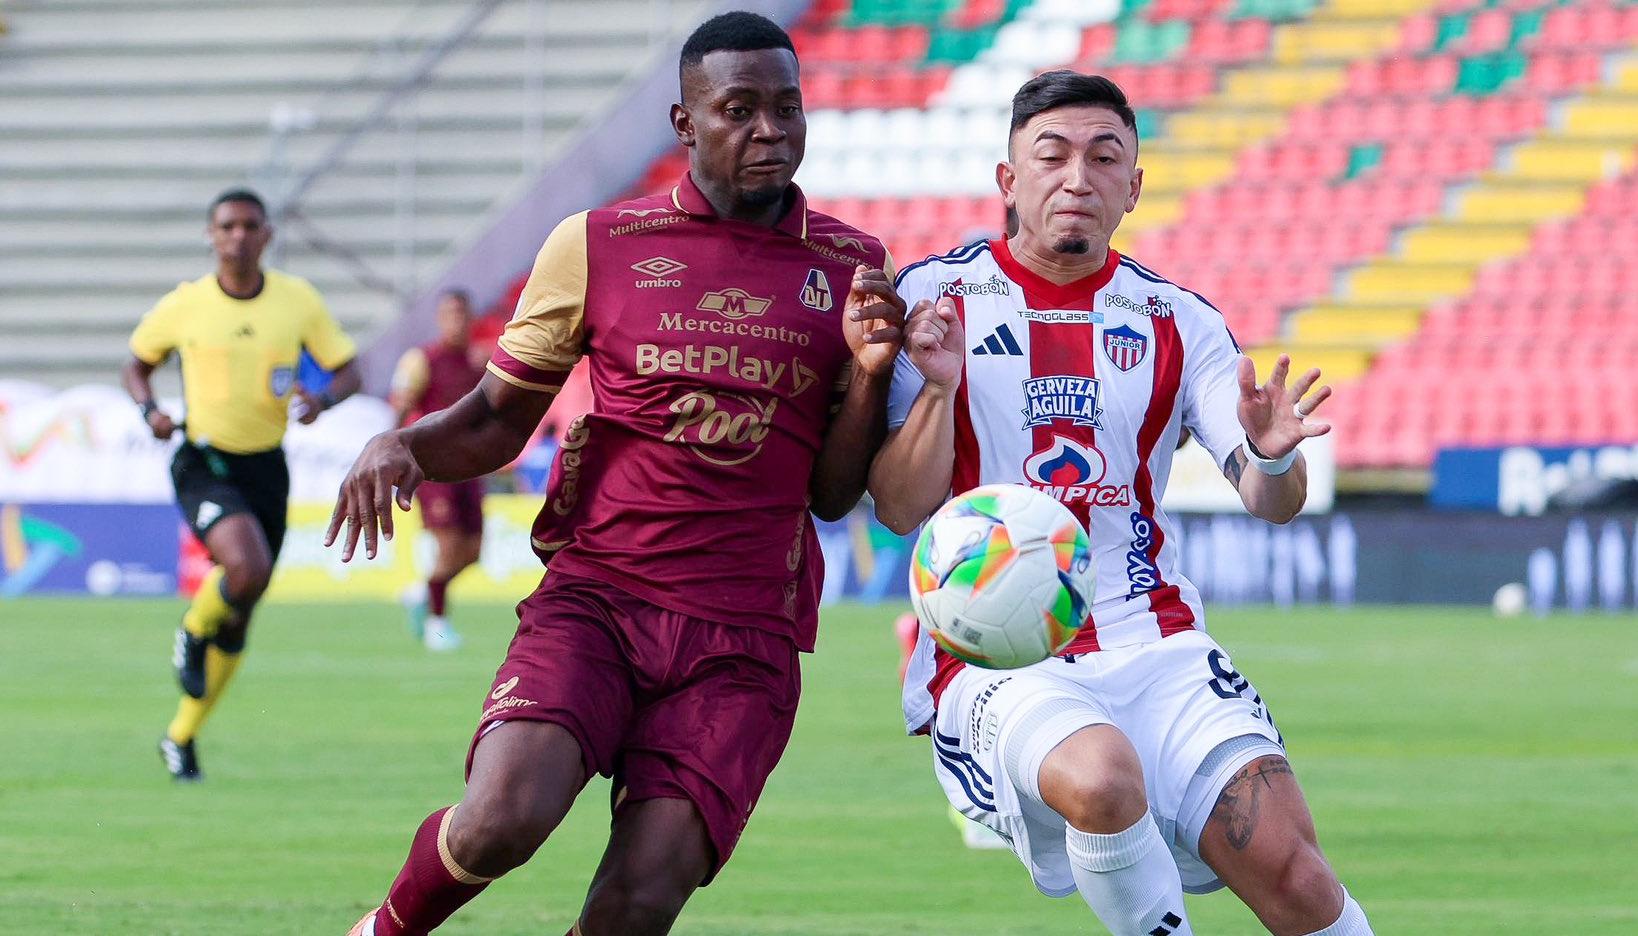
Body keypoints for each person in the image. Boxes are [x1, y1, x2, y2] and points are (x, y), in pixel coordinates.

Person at [329, 13, 904, 936]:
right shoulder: (596, 243)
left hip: (742, 639)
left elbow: (833, 495)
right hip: (599, 598)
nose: (770, 131)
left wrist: (872, 374)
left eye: (787, 109)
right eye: (740, 109)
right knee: (498, 823)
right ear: (684, 122)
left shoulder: (851, 267)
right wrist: (403, 445)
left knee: (635, 905)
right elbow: (494, 419)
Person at [871, 72, 1373, 936]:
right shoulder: (933, 301)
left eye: (1106, 159)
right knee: (1101, 782)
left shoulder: (1179, 321)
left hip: (1157, 640)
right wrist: (936, 393)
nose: (1078, 178)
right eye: (1053, 155)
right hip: (999, 649)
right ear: (1007, 180)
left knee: (1295, 876)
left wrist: (1270, 454)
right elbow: (896, 507)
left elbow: (1270, 500)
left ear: (1134, 187)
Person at [122, 188, 361, 781]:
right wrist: (148, 409)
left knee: (242, 614)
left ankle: (180, 736)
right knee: (246, 570)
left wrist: (324, 398)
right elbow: (136, 363)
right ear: (211, 234)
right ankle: (189, 631)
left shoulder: (297, 301)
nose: (238, 236)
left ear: (267, 235)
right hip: (205, 460)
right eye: (227, 226)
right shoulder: (186, 305)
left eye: (250, 225)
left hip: (265, 467)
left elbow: (349, 369)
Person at [389, 289, 488, 651]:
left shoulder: (479, 363)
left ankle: (421, 592)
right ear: (439, 318)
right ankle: (437, 624)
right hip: (435, 469)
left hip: (472, 467)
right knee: (447, 546)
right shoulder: (422, 361)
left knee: (474, 552)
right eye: (448, 313)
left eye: (461, 313)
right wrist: (392, 452)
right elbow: (402, 405)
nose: (455, 320)